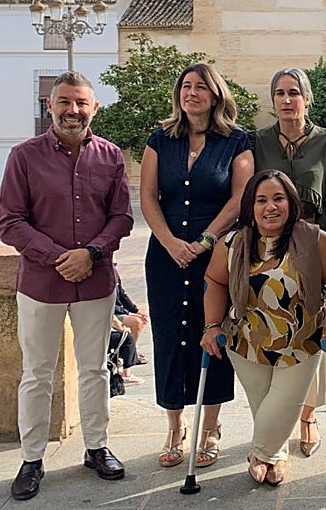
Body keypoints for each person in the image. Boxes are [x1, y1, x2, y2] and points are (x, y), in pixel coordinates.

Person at [0, 71, 133, 501]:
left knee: (95, 369)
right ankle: (32, 458)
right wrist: (58, 257)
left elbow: (122, 218)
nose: (72, 110)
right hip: (40, 283)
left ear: (94, 108)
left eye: (81, 103)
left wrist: (89, 254)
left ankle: (96, 448)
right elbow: (10, 221)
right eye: (64, 102)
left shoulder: (110, 157)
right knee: (36, 374)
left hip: (95, 282)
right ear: (50, 106)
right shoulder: (24, 157)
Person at [200, 170, 326, 485]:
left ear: (291, 202)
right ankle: (275, 455)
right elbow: (214, 280)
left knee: (283, 402)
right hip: (246, 342)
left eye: (278, 198)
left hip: (302, 342)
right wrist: (212, 325)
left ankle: (260, 453)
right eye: (261, 200)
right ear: (250, 207)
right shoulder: (232, 242)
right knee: (263, 404)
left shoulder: (314, 238)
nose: (270, 207)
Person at [140, 63, 254, 469]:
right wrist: (171, 243)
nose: (192, 93)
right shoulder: (160, 140)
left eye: (201, 87)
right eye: (186, 87)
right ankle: (174, 425)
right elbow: (149, 197)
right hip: (166, 255)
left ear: (216, 95)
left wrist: (205, 240)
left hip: (215, 255)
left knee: (212, 332)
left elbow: (241, 199)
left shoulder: (237, 142)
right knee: (170, 335)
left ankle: (211, 427)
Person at [251, 67, 326, 457]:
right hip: (265, 249)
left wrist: (316, 242)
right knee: (269, 326)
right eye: (279, 93)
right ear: (272, 100)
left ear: (307, 98)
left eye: (294, 93)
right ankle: (272, 419)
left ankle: (307, 414)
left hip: (309, 245)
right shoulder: (257, 142)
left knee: (310, 328)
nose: (287, 100)